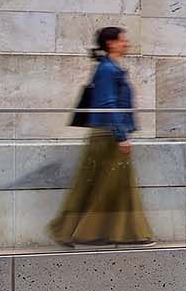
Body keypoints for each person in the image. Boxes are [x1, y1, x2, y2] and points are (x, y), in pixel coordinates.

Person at [50, 24, 152, 246]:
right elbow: (108, 103)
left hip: (109, 134)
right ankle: (97, 234)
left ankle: (105, 233)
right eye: (123, 39)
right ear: (111, 43)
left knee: (107, 185)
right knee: (111, 186)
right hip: (108, 136)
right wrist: (121, 135)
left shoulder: (110, 68)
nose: (127, 43)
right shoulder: (107, 70)